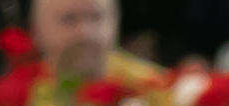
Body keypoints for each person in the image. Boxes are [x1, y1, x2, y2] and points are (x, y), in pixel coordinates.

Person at [29, 0, 166, 92]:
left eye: (96, 17)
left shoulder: (155, 89)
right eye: (69, 19)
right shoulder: (17, 101)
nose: (85, 33)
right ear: (37, 31)